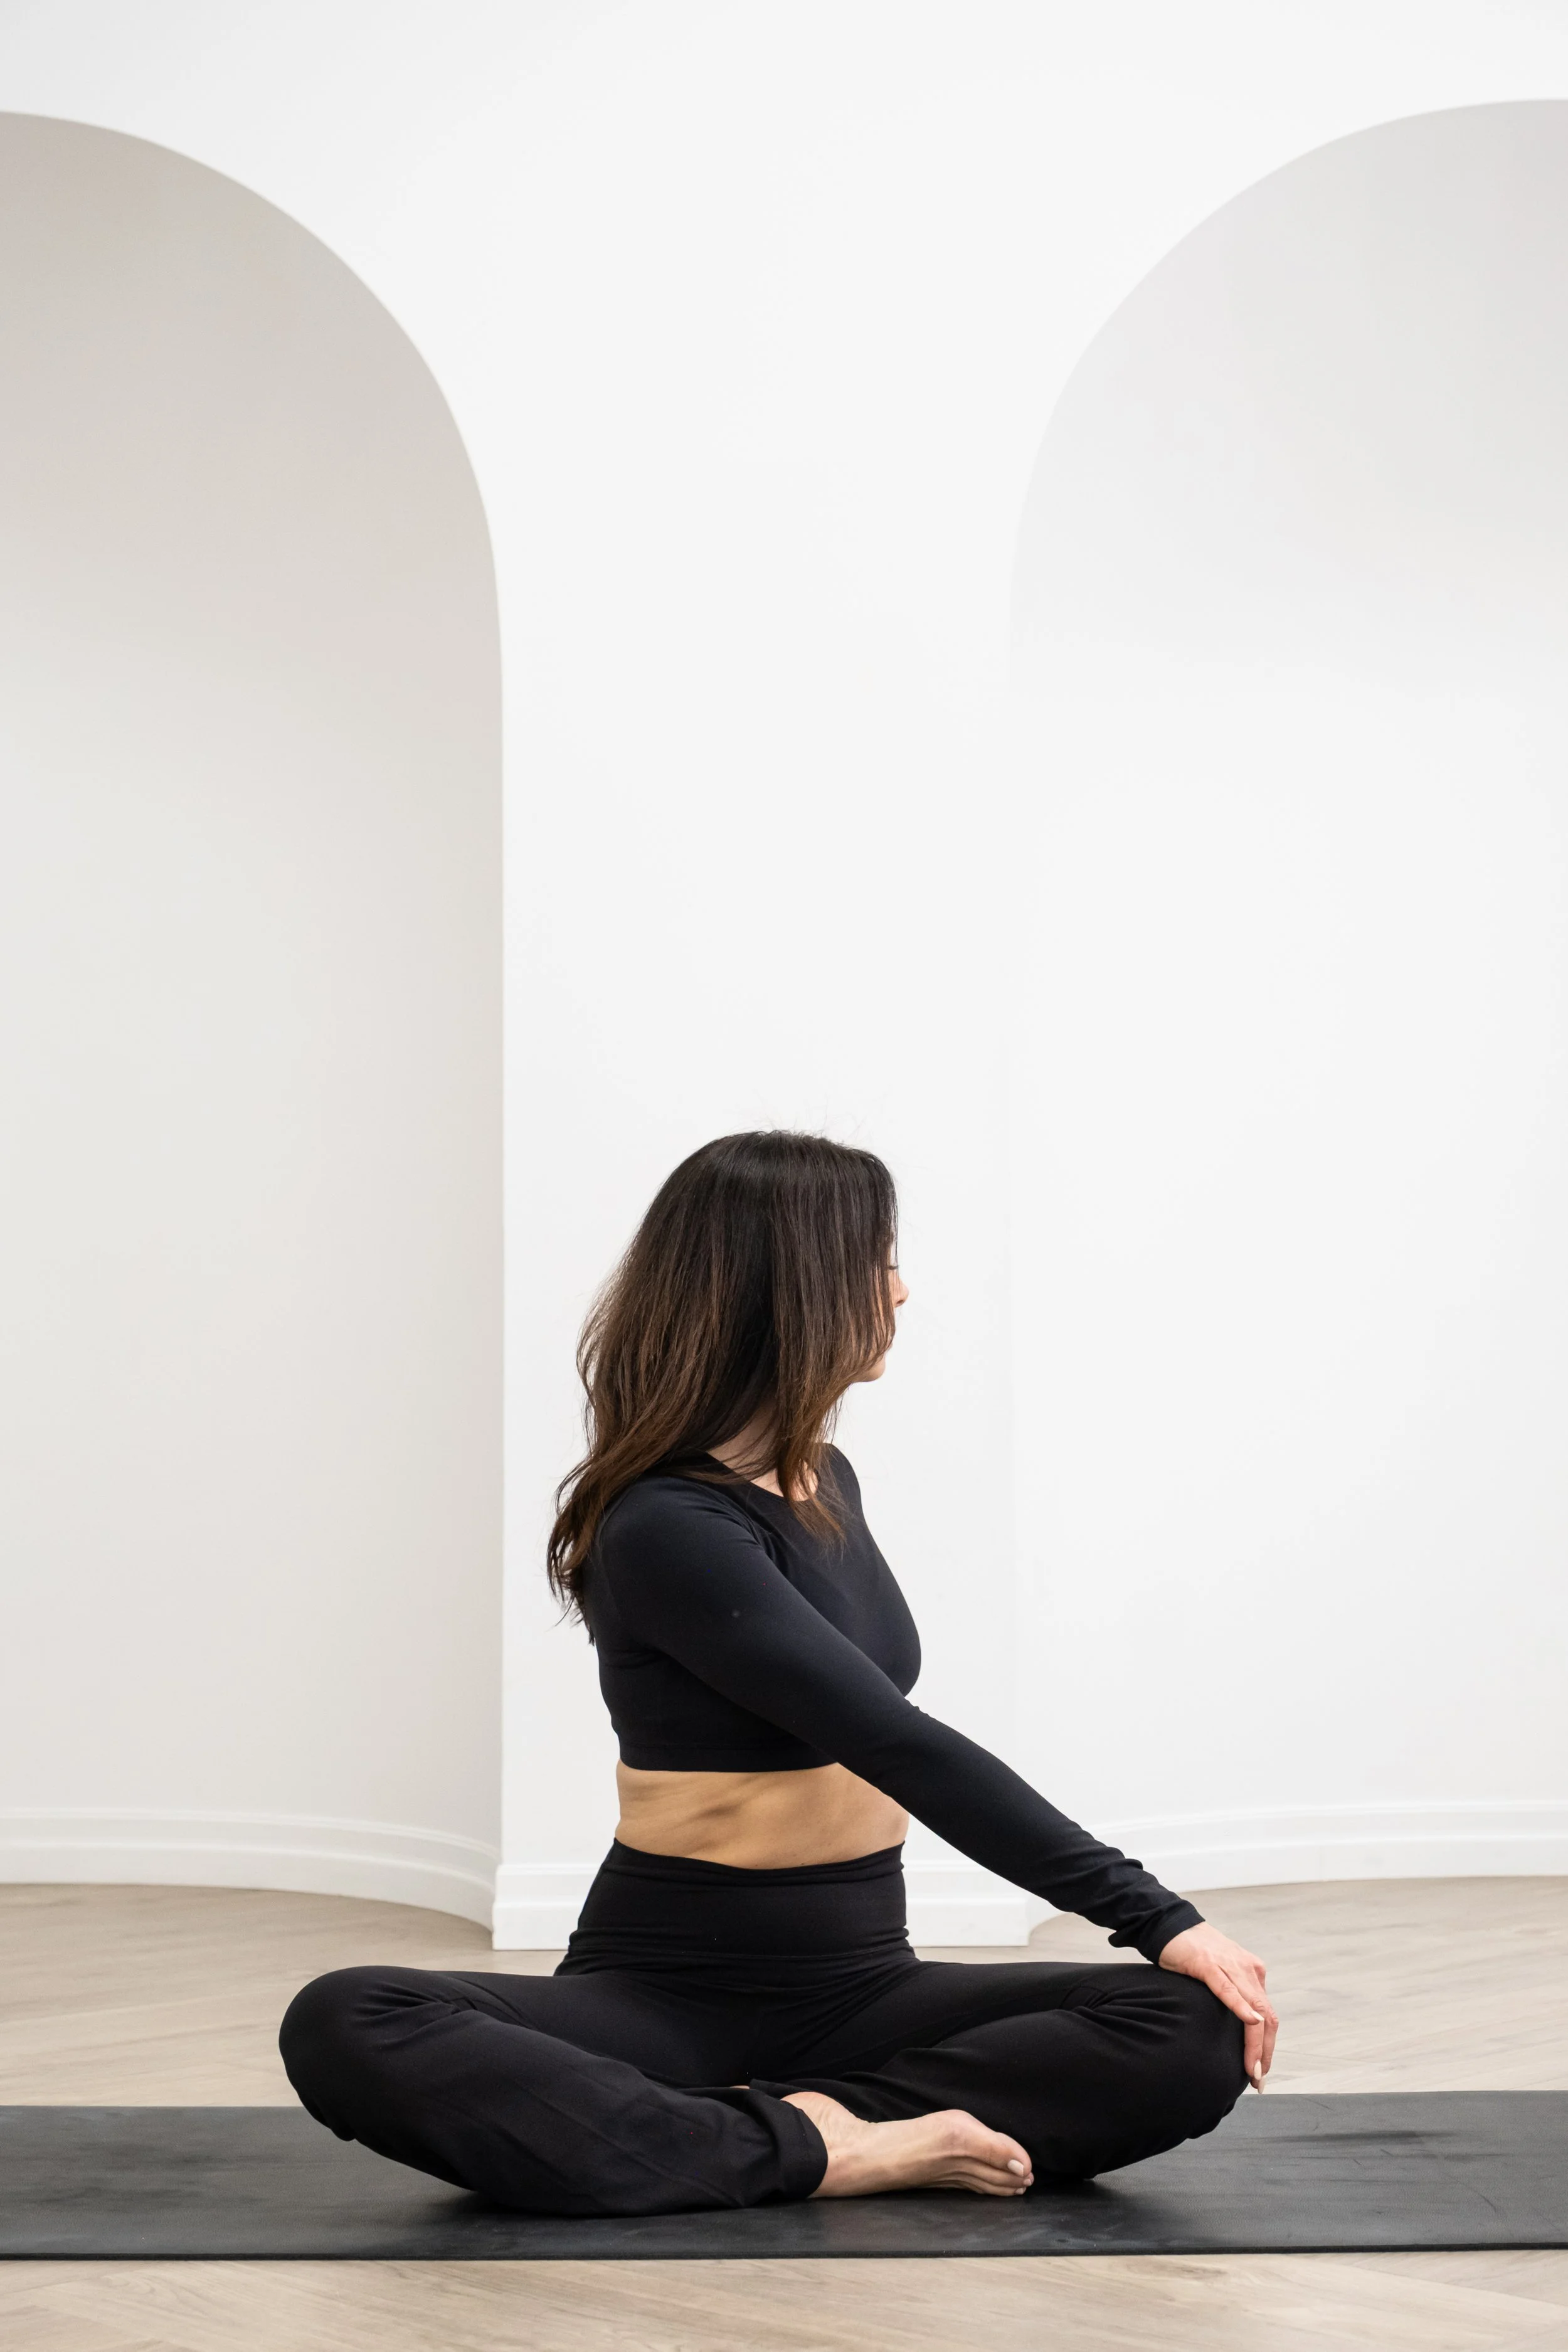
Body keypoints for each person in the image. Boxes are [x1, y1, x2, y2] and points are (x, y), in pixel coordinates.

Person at [280, 1131, 1278, 2215]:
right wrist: (1159, 1916)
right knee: (347, 2019)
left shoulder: (825, 1478)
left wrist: (1170, 1948)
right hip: (663, 1996)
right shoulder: (667, 1522)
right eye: (878, 1262)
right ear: (794, 1288)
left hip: (863, 1986)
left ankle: (747, 2130)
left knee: (1195, 2026)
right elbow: (897, 1742)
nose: (901, 1290)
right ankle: (829, 2149)